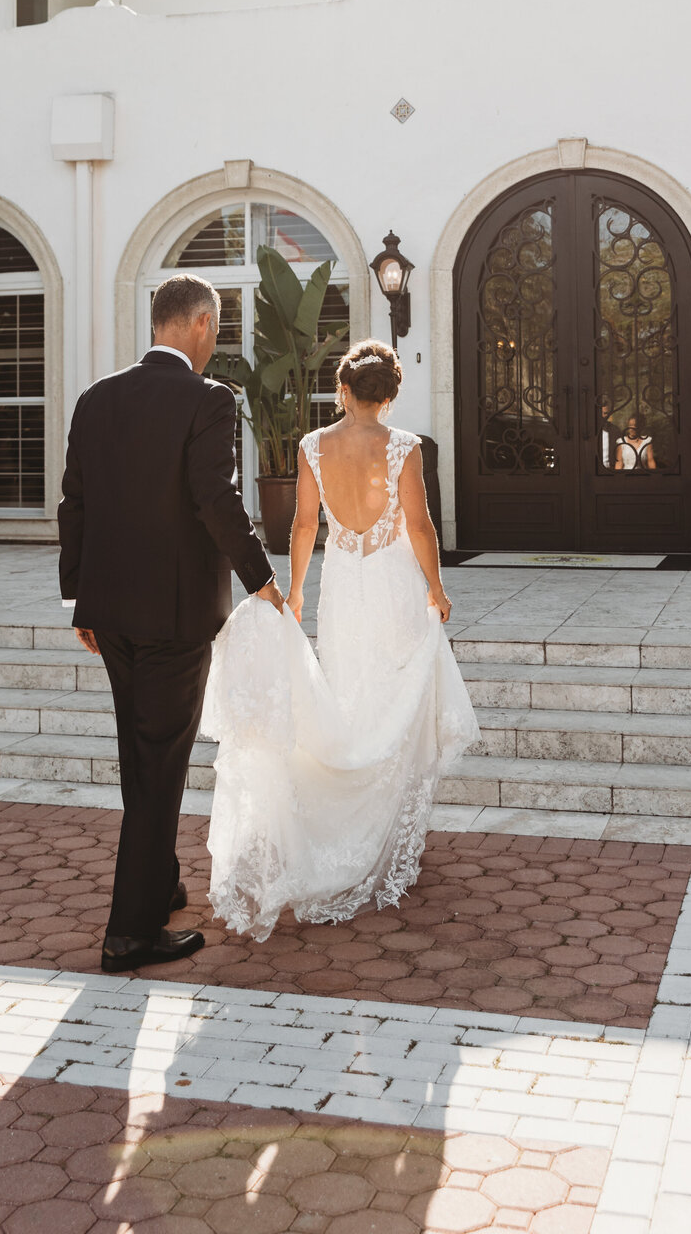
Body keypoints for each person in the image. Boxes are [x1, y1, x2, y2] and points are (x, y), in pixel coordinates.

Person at [202, 340, 479, 941]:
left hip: (345, 588)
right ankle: (379, 832)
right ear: (391, 394)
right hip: (394, 584)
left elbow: (304, 523)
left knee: (350, 696)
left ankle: (348, 824)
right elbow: (419, 524)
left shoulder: (312, 446)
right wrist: (436, 587)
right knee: (393, 699)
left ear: (344, 391)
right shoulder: (404, 447)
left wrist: (295, 591)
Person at [58, 273, 284, 973]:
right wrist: (262, 579)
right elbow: (215, 498)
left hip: (111, 615)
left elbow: (75, 504)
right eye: (215, 329)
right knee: (158, 768)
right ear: (200, 326)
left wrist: (79, 601)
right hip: (176, 619)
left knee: (143, 758)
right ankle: (129, 935)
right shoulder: (209, 399)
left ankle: (159, 887)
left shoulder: (96, 398)